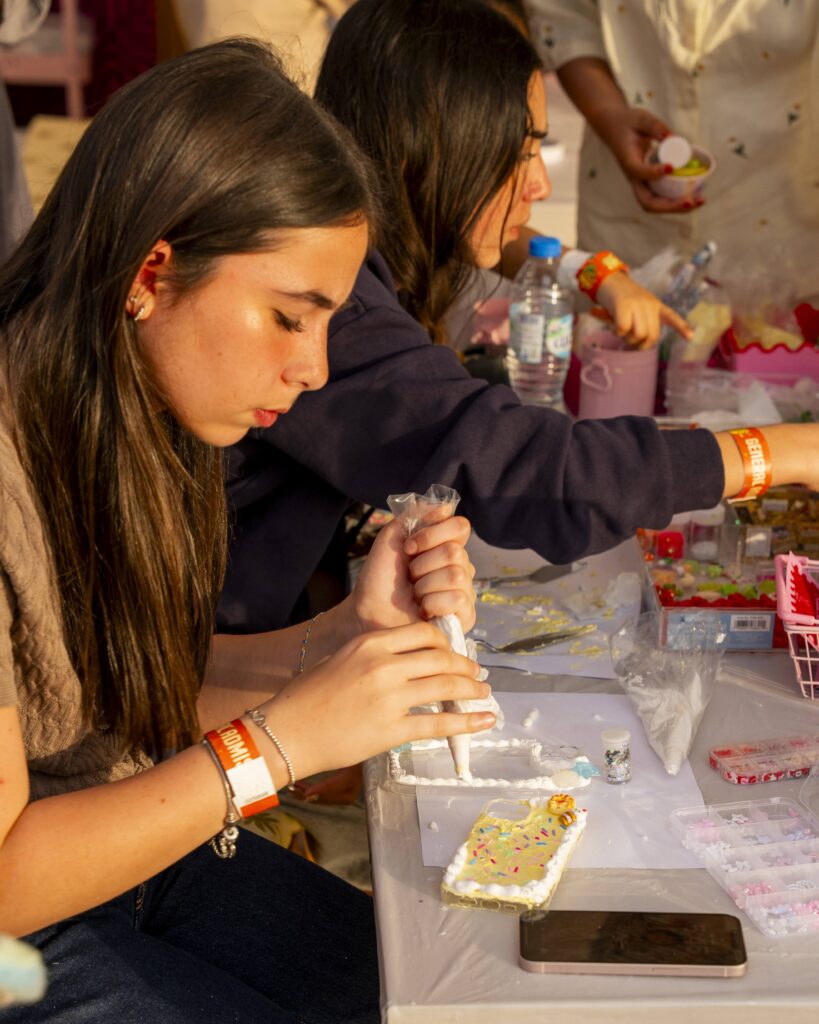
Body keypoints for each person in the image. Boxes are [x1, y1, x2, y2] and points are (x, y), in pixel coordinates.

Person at [0, 38, 492, 1023]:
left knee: (426, 989)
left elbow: (123, 700)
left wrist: (345, 639)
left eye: (330, 322)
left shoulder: (135, 406)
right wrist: (276, 745)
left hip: (110, 846)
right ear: (151, 272)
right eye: (288, 316)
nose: (314, 369)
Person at [219, 0, 819, 644]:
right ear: (443, 142)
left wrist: (588, 271)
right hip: (223, 651)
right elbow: (535, 472)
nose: (539, 184)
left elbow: (474, 221)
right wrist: (786, 451)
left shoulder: (333, 235)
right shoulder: (330, 310)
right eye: (523, 148)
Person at [526, 0, 819, 302]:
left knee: (776, 329)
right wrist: (609, 116)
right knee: (615, 326)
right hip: (628, 222)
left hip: (783, 216)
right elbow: (564, 20)